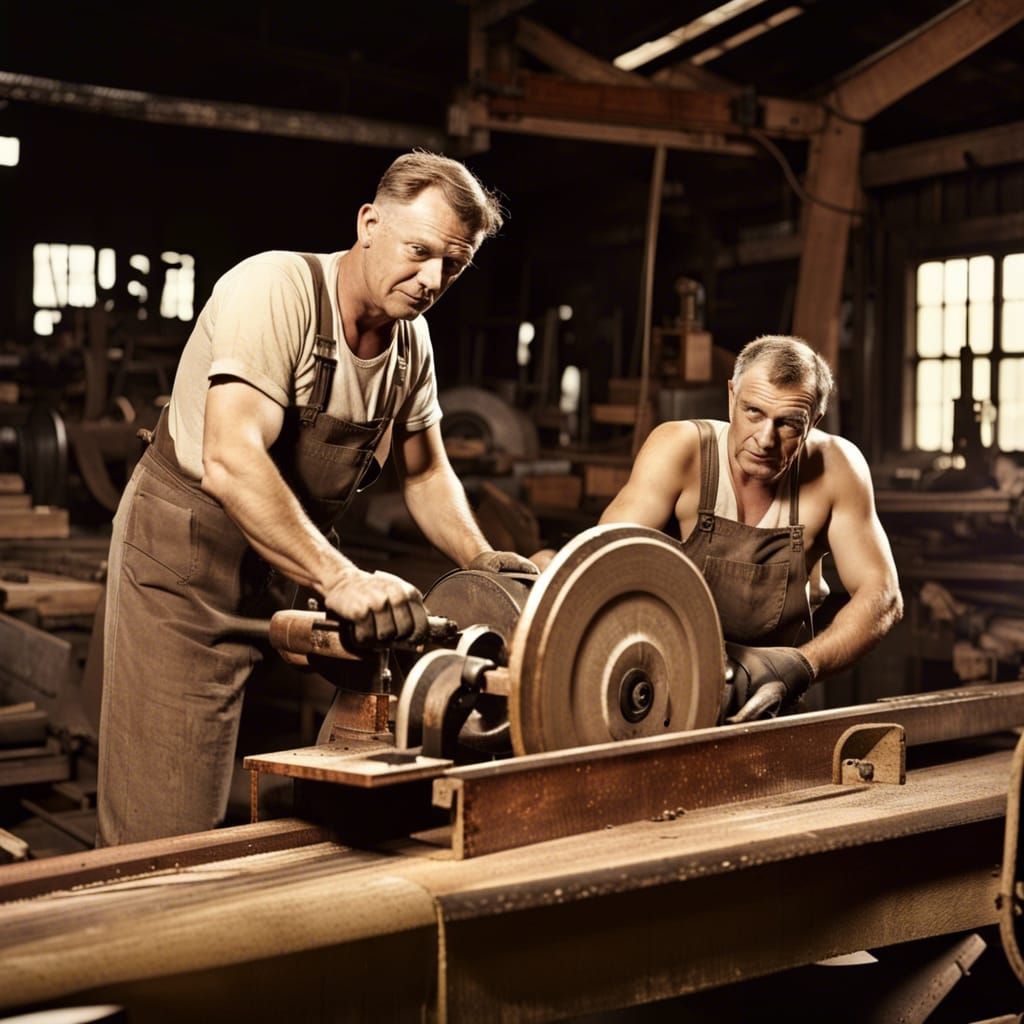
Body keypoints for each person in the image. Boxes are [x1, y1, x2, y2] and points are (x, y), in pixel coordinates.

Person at [98, 151, 537, 846]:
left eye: (452, 265)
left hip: (284, 570)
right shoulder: (275, 290)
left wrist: (484, 564)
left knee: (359, 785)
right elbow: (231, 458)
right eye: (419, 251)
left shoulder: (409, 342)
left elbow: (425, 476)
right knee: (167, 831)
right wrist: (340, 576)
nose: (431, 281)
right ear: (369, 223)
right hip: (185, 568)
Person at [600, 334, 902, 720]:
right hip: (660, 694)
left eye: (789, 423)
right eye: (753, 412)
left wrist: (799, 667)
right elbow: (602, 563)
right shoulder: (679, 450)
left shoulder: (836, 468)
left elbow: (883, 595)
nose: (765, 439)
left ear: (814, 422)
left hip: (769, 704)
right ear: (731, 395)